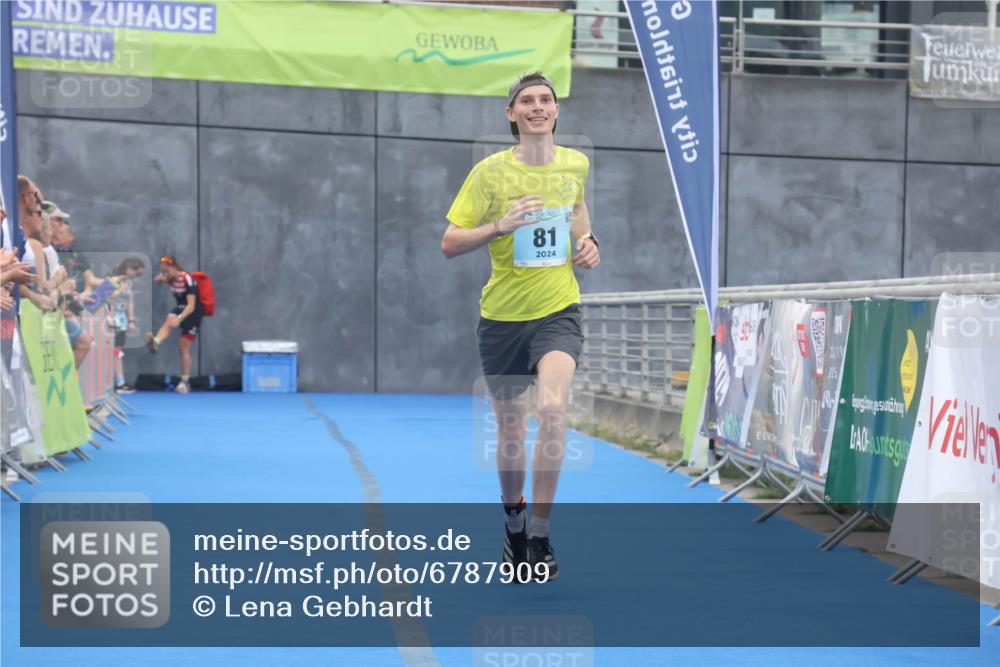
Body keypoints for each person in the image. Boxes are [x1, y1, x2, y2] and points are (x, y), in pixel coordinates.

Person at [441, 72, 600, 581]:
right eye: (526, 101)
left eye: (545, 100)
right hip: (503, 318)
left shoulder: (576, 163)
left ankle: (540, 537)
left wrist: (589, 240)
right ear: (511, 114)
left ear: (556, 111)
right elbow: (450, 241)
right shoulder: (489, 174)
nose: (537, 107)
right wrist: (499, 227)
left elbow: (576, 208)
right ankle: (513, 525)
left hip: (558, 310)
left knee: (552, 411)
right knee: (511, 432)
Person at [144, 256, 203, 394]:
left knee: (183, 349)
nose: (165, 274)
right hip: (180, 307)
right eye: (163, 271)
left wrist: (180, 318)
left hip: (193, 312)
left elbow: (191, 306)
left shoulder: (187, 279)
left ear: (175, 268)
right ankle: (156, 342)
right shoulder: (169, 278)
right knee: (168, 321)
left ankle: (185, 382)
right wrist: (160, 278)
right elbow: (159, 279)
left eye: (167, 271)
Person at [108, 257, 144, 393]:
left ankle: (120, 382)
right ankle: (116, 383)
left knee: (117, 350)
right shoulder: (112, 280)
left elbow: (130, 302)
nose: (137, 277)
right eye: (137, 274)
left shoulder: (128, 282)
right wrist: (119, 291)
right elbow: (106, 298)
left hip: (121, 320)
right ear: (129, 269)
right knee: (111, 351)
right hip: (111, 319)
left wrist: (131, 320)